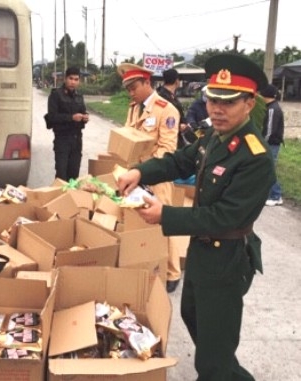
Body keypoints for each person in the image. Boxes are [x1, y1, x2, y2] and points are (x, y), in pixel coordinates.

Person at [116, 53, 275, 381]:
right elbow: (177, 162)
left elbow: (224, 217)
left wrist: (164, 215)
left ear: (249, 103)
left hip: (227, 258)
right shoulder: (215, 138)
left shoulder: (254, 156)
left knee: (213, 360)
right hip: (203, 253)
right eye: (213, 99)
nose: (217, 109)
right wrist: (139, 170)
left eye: (228, 102)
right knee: (194, 319)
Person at [117, 62, 182, 293]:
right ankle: (145, 263)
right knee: (139, 220)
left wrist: (146, 165)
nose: (131, 92)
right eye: (128, 89)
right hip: (135, 174)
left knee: (165, 223)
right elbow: (128, 135)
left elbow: (168, 148)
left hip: (158, 176)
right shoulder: (134, 107)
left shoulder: (167, 110)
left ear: (147, 82)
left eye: (134, 87)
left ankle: (173, 271)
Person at [46, 66, 89, 181]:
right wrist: (71, 117)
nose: (73, 82)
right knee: (61, 176)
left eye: (76, 79)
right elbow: (52, 117)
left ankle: (71, 198)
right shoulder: (56, 95)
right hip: (62, 140)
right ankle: (59, 198)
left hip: (76, 140)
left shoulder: (79, 97)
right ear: (65, 79)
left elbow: (83, 112)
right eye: (71, 78)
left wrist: (85, 117)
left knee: (74, 175)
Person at [157, 68, 197, 148]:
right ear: (176, 81)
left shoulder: (170, 95)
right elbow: (160, 117)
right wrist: (178, 125)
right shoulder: (162, 97)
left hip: (177, 135)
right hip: (168, 138)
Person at [260, 84, 285, 206]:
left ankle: (276, 195)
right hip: (271, 143)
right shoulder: (271, 107)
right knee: (266, 169)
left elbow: (270, 130)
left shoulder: (272, 109)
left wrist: (262, 144)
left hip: (271, 144)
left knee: (269, 169)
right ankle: (270, 193)